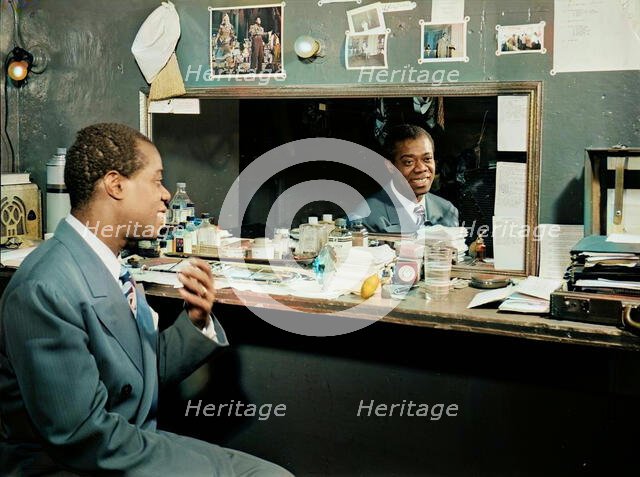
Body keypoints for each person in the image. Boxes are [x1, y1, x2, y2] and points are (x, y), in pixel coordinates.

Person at [0, 123, 293, 476]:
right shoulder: (44, 288)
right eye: (156, 180)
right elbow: (82, 436)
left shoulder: (111, 264)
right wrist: (205, 470)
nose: (166, 194)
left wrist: (195, 321)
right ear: (115, 184)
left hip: (126, 441)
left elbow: (136, 375)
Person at [352, 124, 459, 233]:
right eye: (409, 162)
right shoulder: (364, 217)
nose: (421, 168)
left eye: (427, 159)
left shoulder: (447, 210)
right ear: (390, 166)